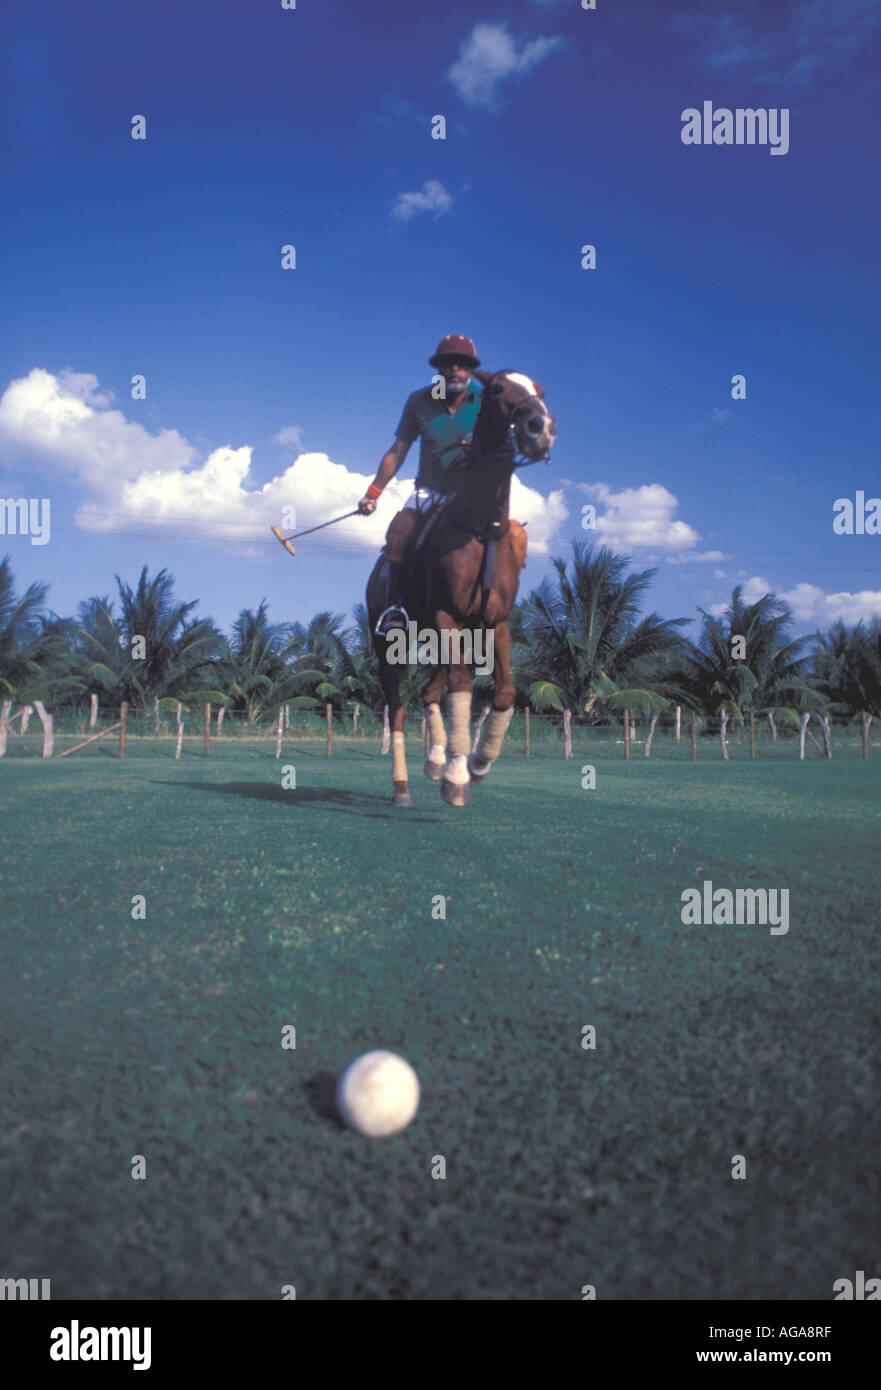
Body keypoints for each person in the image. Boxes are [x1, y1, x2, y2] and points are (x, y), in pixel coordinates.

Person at [359, 334, 484, 634]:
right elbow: (398, 450)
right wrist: (373, 493)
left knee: (507, 538)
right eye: (447, 364)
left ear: (472, 369)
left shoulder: (488, 400)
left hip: (474, 495)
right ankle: (395, 608)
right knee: (400, 531)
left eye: (463, 364)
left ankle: (494, 608)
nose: (455, 369)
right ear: (438, 369)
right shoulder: (419, 401)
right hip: (429, 492)